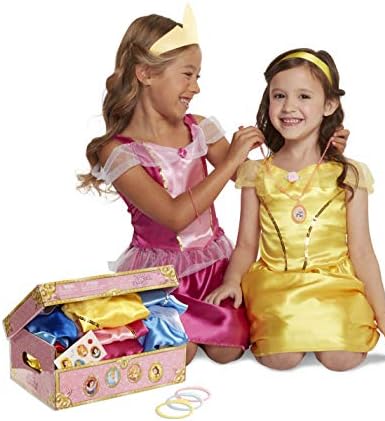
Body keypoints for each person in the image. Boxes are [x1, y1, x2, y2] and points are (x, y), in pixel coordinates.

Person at [78, 5, 348, 365]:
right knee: (180, 351)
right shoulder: (118, 151)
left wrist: (318, 148)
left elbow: (263, 181)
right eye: (187, 75)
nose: (196, 87)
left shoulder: (199, 127)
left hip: (213, 265)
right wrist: (231, 159)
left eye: (197, 76)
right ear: (146, 74)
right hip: (159, 278)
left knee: (227, 350)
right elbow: (174, 216)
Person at [206, 48, 385, 371]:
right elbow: (246, 245)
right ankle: (292, 328)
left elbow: (362, 251)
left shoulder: (348, 174)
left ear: (329, 105)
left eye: (303, 96)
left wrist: (384, 316)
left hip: (334, 284)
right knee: (280, 358)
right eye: (279, 96)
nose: (289, 107)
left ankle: (329, 325)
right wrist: (231, 281)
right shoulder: (256, 173)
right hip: (277, 285)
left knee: (342, 358)